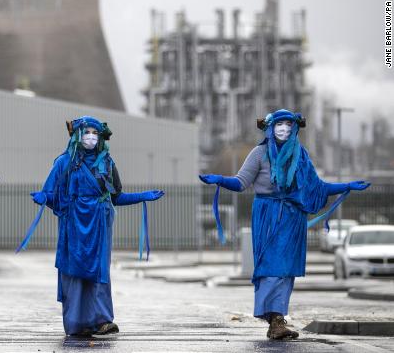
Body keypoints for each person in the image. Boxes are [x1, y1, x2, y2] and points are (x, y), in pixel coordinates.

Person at [199, 109, 370, 340]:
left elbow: (317, 188)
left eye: (289, 125)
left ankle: (277, 319)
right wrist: (220, 179)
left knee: (286, 271)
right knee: (271, 268)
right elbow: (241, 183)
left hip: (292, 219)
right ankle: (274, 319)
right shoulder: (259, 153)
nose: (285, 129)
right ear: (270, 127)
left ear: (295, 129)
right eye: (280, 124)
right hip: (268, 216)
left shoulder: (301, 156)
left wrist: (346, 186)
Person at [27, 116, 165, 337]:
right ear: (78, 135)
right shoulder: (64, 163)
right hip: (73, 225)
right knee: (74, 272)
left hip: (100, 224)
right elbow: (53, 194)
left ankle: (102, 320)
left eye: (95, 133)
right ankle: (77, 323)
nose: (91, 137)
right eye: (87, 132)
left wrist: (142, 196)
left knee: (100, 271)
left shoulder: (107, 163)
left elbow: (116, 196)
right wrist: (45, 196)